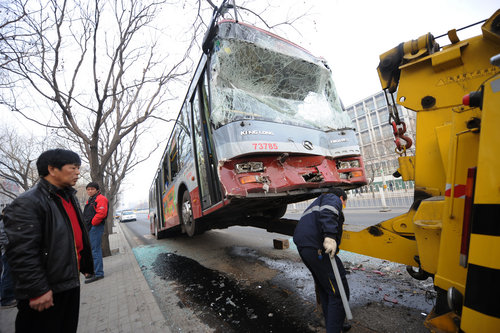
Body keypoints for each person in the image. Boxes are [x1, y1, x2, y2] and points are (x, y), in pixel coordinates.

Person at [3, 149, 93, 333]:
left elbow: (72, 235)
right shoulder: (28, 202)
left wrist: (84, 264)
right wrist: (37, 290)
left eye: (78, 168)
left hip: (68, 282)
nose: (78, 172)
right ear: (52, 169)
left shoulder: (68, 196)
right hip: (46, 291)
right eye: (73, 167)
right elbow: (22, 252)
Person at [293, 187, 350, 333]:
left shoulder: (316, 204)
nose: (343, 206)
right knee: (339, 291)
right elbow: (330, 211)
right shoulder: (332, 198)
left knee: (327, 289)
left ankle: (333, 322)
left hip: (306, 247)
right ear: (342, 198)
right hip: (316, 248)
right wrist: (330, 235)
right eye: (344, 203)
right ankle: (334, 328)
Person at [82, 181, 108, 283]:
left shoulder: (101, 199)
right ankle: (94, 271)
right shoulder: (91, 199)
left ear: (97, 190)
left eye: (92, 189)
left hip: (95, 227)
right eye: (88, 189)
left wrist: (93, 223)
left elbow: (101, 213)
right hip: (90, 227)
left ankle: (98, 274)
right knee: (92, 250)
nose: (90, 191)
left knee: (95, 250)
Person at [0, 207, 17, 308]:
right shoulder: (4, 222)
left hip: (11, 251)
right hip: (8, 252)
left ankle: (9, 296)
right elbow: (2, 236)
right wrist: (10, 246)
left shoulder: (9, 221)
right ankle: (6, 299)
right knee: (8, 274)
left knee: (10, 274)